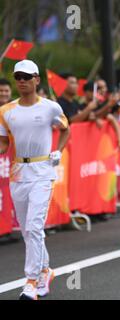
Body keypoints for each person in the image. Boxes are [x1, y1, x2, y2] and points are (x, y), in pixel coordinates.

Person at [0, 60, 70, 300]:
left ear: (36, 80)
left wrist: (58, 150)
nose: (22, 80)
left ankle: (31, 280)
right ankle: (45, 270)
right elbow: (3, 144)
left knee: (33, 226)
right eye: (18, 76)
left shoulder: (50, 107)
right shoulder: (6, 111)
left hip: (42, 170)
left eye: (27, 76)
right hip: (18, 172)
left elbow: (66, 128)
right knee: (28, 231)